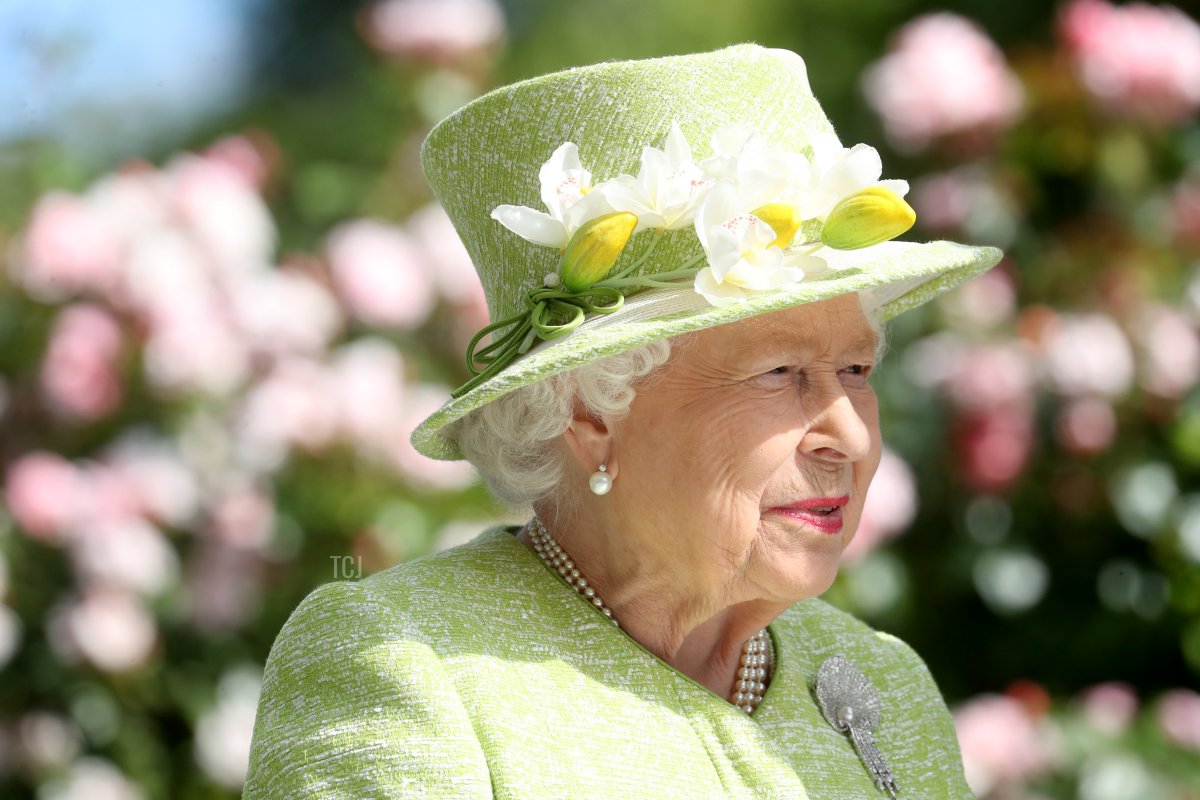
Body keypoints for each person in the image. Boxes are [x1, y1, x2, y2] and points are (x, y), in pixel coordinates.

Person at [244, 44, 1001, 799]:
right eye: (780, 372)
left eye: (856, 370)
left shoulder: (887, 688)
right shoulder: (411, 665)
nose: (854, 436)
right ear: (591, 413)